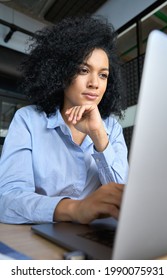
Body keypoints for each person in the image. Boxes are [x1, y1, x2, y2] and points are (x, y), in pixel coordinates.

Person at [0, 15, 129, 224]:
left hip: (97, 234)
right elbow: (7, 200)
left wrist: (98, 136)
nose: (95, 83)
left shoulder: (111, 128)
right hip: (39, 234)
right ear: (61, 72)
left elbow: (124, 201)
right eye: (83, 70)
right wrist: (75, 209)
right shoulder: (28, 120)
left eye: (103, 75)